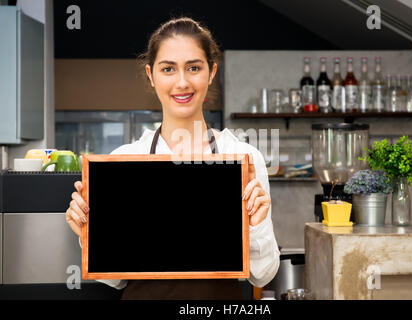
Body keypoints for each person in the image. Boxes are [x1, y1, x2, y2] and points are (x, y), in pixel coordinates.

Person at [65, 17, 280, 300]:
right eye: (168, 69)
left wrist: (256, 225)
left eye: (194, 67)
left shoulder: (244, 159)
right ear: (151, 75)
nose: (182, 82)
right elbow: (114, 280)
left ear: (211, 72)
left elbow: (262, 275)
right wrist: (89, 236)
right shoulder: (124, 161)